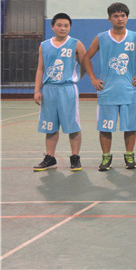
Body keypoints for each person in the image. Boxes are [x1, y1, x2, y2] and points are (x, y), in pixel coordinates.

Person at [83, 2, 136, 171]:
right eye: (116, 16)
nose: (120, 19)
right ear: (109, 18)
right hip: (107, 91)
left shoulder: (135, 36)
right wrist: (93, 79)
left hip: (128, 91)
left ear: (127, 17)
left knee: (130, 127)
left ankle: (129, 156)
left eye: (123, 15)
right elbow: (86, 57)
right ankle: (106, 157)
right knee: (105, 128)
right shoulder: (101, 37)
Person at [33, 13, 87, 172]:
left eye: (66, 25)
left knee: (72, 125)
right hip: (49, 89)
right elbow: (40, 69)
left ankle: (75, 157)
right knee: (50, 126)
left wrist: (75, 78)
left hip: (67, 89)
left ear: (70, 27)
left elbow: (85, 65)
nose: (63, 28)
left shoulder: (76, 44)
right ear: (52, 26)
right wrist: (37, 90)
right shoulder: (44, 45)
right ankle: (50, 158)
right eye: (59, 25)